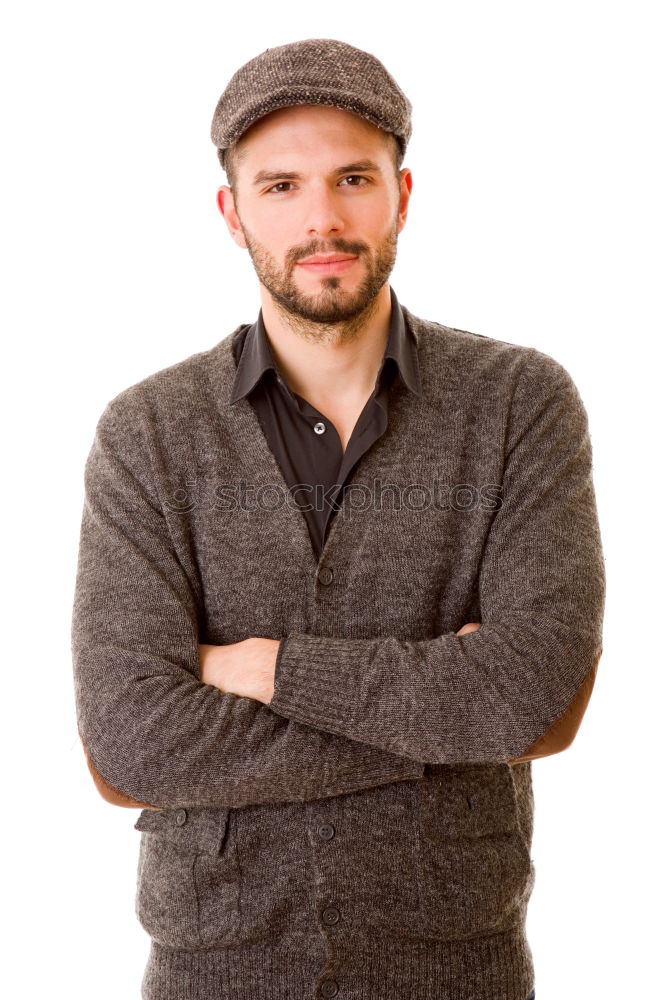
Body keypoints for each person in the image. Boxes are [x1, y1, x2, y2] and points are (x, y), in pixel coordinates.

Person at [71, 38, 605, 1000]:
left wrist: (259, 667)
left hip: (456, 965)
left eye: (353, 177)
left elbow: (534, 699)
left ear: (402, 194)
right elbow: (128, 745)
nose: (322, 219)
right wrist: (442, 717)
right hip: (213, 970)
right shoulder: (148, 432)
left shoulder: (521, 402)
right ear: (233, 215)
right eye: (281, 186)